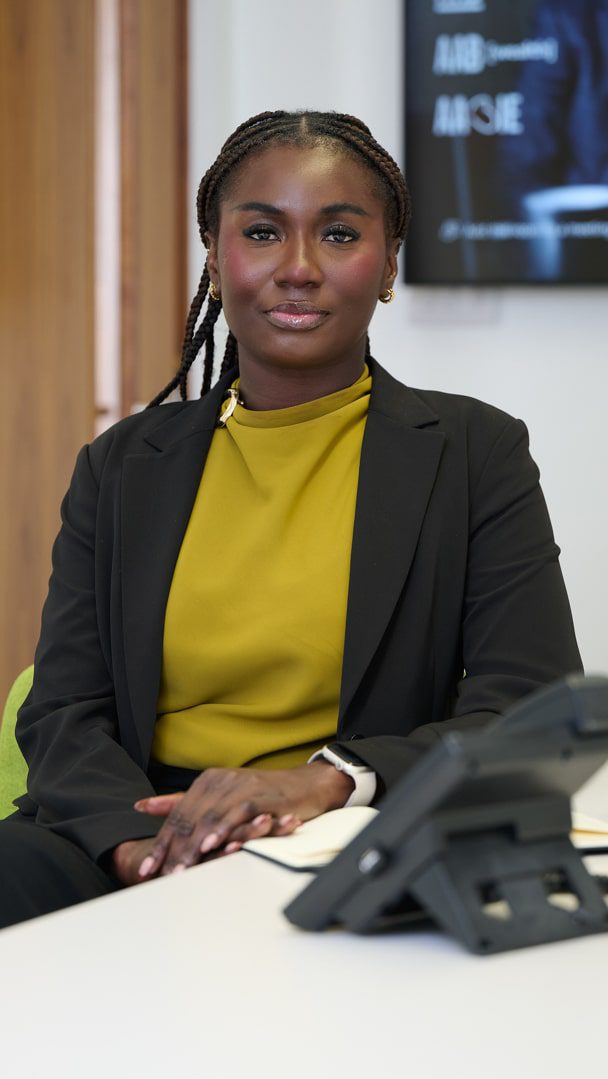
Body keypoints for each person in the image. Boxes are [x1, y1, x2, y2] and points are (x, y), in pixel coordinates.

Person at [0, 110, 582, 929]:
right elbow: (62, 708)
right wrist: (140, 847)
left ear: (387, 264)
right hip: (141, 827)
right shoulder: (122, 465)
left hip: (349, 830)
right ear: (214, 252)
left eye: (340, 235)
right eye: (263, 231)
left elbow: (526, 700)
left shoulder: (473, 451)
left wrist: (330, 777)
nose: (299, 268)